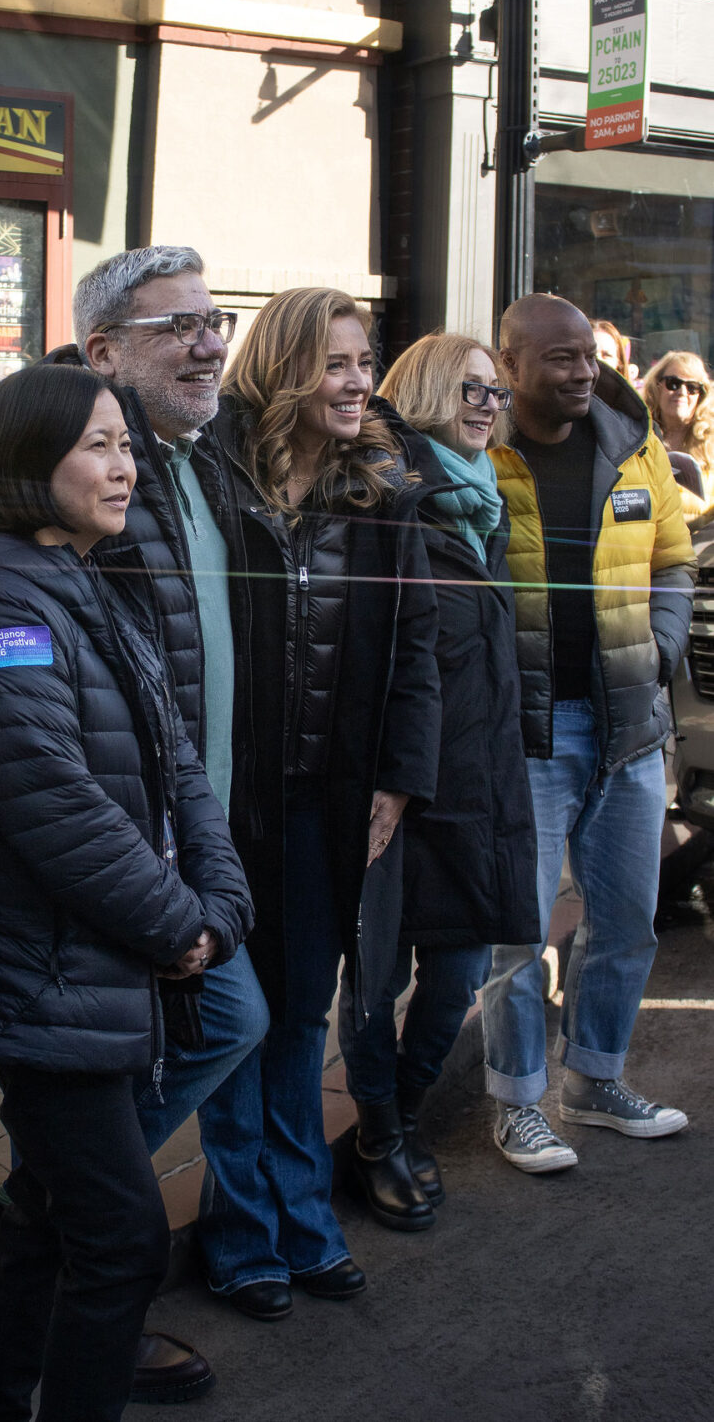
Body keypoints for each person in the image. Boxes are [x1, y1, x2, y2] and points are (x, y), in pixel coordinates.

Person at [0, 362, 252, 1422]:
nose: (125, 469)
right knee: (120, 1241)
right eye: (99, 447)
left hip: (104, 965)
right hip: (44, 977)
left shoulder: (79, 580)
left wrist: (218, 905)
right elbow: (53, 806)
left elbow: (178, 765)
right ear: (28, 463)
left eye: (127, 447)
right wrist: (179, 926)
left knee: (54, 1221)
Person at [195, 287, 441, 1318]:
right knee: (236, 1018)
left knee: (300, 1016)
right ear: (288, 367)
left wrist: (397, 780)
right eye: (338, 362)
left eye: (363, 361)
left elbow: (417, 645)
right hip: (224, 800)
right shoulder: (207, 478)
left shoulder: (383, 491)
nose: (357, 383)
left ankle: (302, 1222)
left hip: (328, 800)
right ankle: (243, 1232)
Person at [483, 292, 694, 1172]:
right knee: (516, 930)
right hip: (525, 731)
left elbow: (675, 557)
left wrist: (663, 645)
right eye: (560, 359)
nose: (581, 373)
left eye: (588, 356)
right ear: (509, 366)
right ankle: (517, 1101)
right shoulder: (476, 453)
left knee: (627, 919)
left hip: (628, 727)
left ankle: (596, 1082)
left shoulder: (632, 443)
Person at [336, 333, 540, 1228]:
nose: (490, 404)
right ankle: (378, 1134)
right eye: (471, 387)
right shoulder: (390, 499)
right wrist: (384, 779)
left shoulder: (486, 504)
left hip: (478, 783)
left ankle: (400, 1121)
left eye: (498, 391)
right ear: (422, 387)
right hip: (397, 789)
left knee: (456, 976)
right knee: (374, 979)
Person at [642, 349, 714, 523]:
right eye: (673, 383)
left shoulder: (711, 444)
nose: (682, 392)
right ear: (656, 385)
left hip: (699, 547)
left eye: (692, 387)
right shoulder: (637, 437)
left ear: (701, 395)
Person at [591, 317, 638, 386]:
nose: (599, 359)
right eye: (591, 354)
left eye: (606, 355)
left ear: (619, 363)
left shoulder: (628, 396)